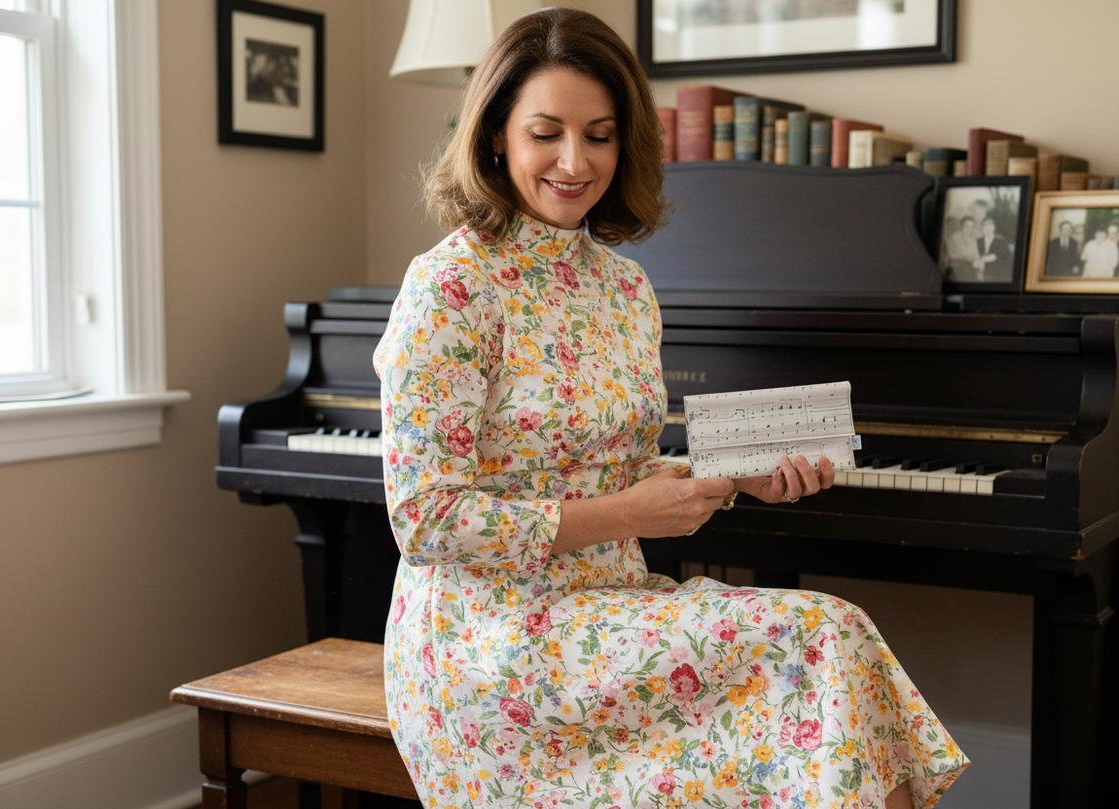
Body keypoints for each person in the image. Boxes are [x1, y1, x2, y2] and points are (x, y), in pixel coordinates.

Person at [372, 8, 967, 808]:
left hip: (610, 612)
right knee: (822, 634)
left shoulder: (625, 288)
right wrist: (631, 514)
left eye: (601, 134)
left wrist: (731, 478)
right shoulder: (450, 286)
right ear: (495, 138)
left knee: (832, 646)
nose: (575, 160)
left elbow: (617, 471)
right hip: (490, 646)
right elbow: (424, 516)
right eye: (546, 132)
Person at [973, 216, 1011, 282]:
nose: (986, 228)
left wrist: (981, 259)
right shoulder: (979, 241)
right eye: (984, 226)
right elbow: (974, 254)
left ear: (994, 227)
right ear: (981, 228)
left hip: (997, 273)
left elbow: (996, 256)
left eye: (989, 225)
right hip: (979, 272)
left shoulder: (1001, 240)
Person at [943, 215, 979, 282]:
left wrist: (976, 260)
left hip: (970, 266)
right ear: (962, 226)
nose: (969, 229)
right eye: (967, 226)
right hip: (957, 266)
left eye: (971, 227)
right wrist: (965, 258)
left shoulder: (973, 239)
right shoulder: (954, 237)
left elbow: (976, 254)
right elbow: (950, 254)